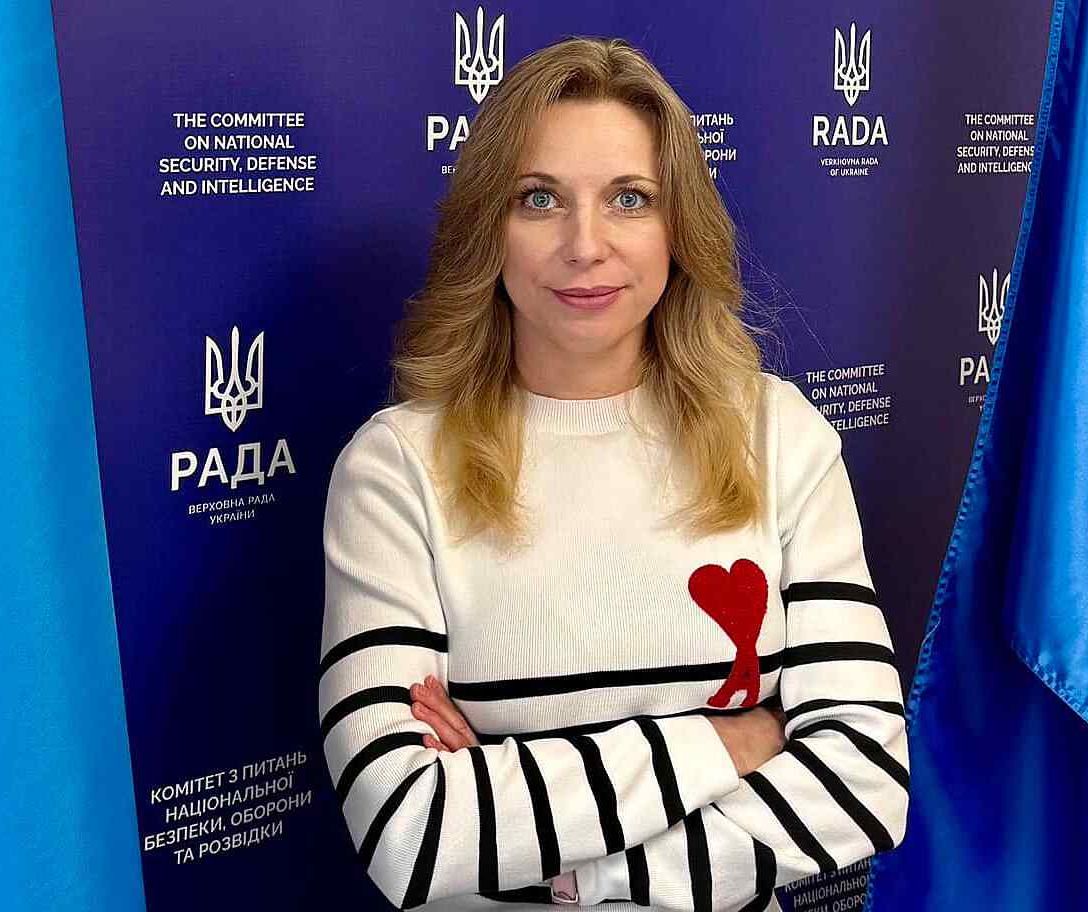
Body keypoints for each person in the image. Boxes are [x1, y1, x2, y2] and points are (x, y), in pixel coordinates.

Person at [317, 37, 908, 911]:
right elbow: (410, 832)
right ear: (488, 229)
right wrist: (732, 743)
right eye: (539, 199)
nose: (584, 245)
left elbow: (863, 781)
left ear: (679, 229)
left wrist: (569, 863)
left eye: (629, 199)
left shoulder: (779, 436)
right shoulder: (397, 468)